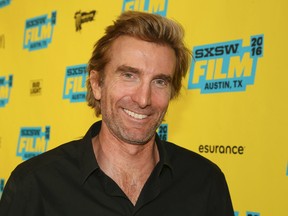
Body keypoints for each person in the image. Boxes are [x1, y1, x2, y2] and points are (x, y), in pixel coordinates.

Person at [0, 11, 234, 215]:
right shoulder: (36, 184)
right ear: (97, 84)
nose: (143, 99)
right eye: (129, 75)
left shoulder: (205, 181)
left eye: (160, 81)